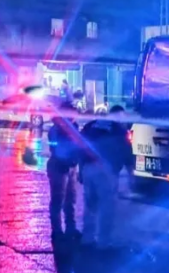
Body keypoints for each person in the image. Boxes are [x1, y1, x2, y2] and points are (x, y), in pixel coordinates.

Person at [79, 105, 132, 248]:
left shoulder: (90, 125)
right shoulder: (118, 129)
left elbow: (80, 146)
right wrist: (131, 173)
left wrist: (81, 170)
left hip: (88, 168)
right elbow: (127, 152)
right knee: (106, 206)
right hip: (106, 170)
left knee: (90, 205)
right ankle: (103, 241)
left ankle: (87, 238)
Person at [47, 104, 82, 241]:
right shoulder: (56, 129)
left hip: (71, 167)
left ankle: (70, 228)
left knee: (71, 199)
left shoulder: (74, 127)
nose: (74, 117)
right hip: (59, 167)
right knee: (58, 200)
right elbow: (55, 148)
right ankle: (57, 231)